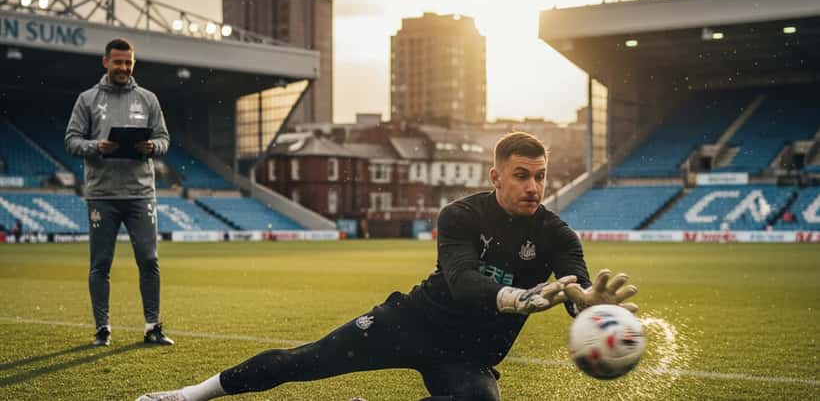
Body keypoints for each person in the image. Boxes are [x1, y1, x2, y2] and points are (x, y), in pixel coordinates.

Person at [136, 132, 638, 401]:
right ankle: (188, 396)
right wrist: (516, 298)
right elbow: (462, 280)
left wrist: (589, 306)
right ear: (496, 177)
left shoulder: (556, 233)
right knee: (303, 361)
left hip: (469, 355)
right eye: (522, 175)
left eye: (541, 177)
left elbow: (576, 286)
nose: (533, 187)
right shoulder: (460, 215)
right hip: (411, 322)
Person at [65, 38, 173, 347]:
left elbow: (164, 139)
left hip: (141, 194)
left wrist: (153, 147)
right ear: (106, 62)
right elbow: (71, 141)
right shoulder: (87, 99)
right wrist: (96, 146)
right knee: (101, 264)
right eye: (118, 62)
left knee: (149, 260)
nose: (123, 67)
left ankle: (152, 327)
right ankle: (102, 329)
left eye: (128, 62)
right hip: (102, 195)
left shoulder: (148, 99)